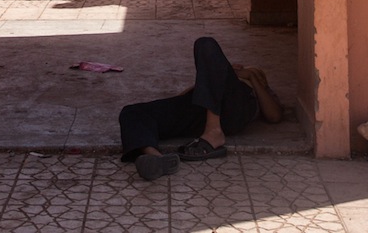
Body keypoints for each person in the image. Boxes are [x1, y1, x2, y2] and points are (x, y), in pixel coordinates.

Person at [119, 36, 282, 181]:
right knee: (132, 112)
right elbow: (181, 99)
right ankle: (156, 158)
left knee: (206, 44)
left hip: (231, 111)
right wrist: (213, 76)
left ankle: (214, 131)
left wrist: (251, 76)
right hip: (199, 112)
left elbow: (274, 115)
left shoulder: (252, 90)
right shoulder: (214, 80)